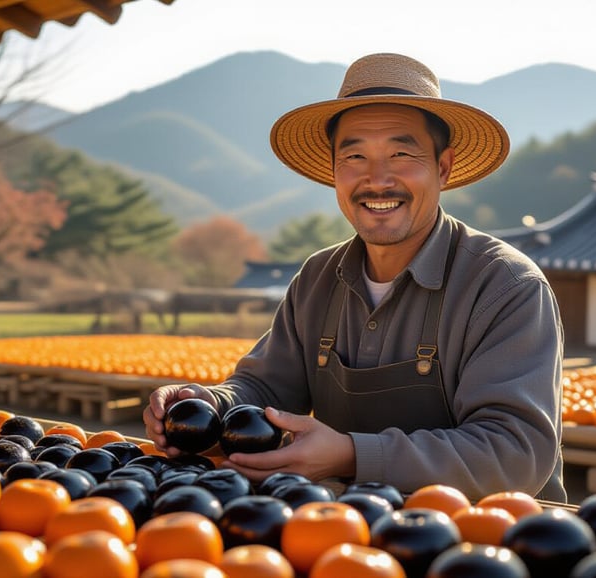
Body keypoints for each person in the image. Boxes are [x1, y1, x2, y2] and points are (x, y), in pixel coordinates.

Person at [144, 53, 566, 502]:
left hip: (485, 545)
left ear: (442, 167)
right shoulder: (318, 279)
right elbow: (267, 389)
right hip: (344, 535)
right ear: (333, 171)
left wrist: (351, 455)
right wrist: (210, 405)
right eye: (355, 155)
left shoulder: (504, 285)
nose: (377, 179)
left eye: (402, 154)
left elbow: (515, 453)